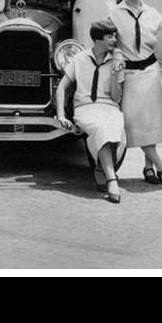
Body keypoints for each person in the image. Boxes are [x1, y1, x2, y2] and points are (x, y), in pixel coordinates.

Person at [109, 0, 162, 185]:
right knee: (134, 123)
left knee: (151, 123)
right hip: (129, 74)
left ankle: (148, 168)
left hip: (151, 72)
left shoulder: (153, 14)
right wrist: (117, 54)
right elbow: (110, 43)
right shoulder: (114, 13)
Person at [55, 19, 127, 203]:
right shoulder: (79, 59)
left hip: (109, 106)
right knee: (102, 128)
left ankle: (99, 167)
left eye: (115, 36)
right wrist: (61, 115)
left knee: (116, 129)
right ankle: (112, 180)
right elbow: (61, 88)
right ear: (97, 39)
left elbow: (116, 97)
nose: (114, 40)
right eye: (110, 36)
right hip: (85, 108)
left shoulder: (116, 60)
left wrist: (115, 73)